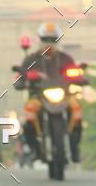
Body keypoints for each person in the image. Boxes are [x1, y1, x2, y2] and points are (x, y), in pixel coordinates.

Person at [17, 22, 83, 162]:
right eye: (45, 39)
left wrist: (78, 77)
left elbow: (76, 73)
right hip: (38, 97)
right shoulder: (31, 59)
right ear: (39, 39)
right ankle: (33, 147)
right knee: (29, 110)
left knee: (76, 107)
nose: (49, 43)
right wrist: (23, 79)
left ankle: (74, 145)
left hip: (63, 96)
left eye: (53, 40)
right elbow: (20, 76)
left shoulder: (66, 58)